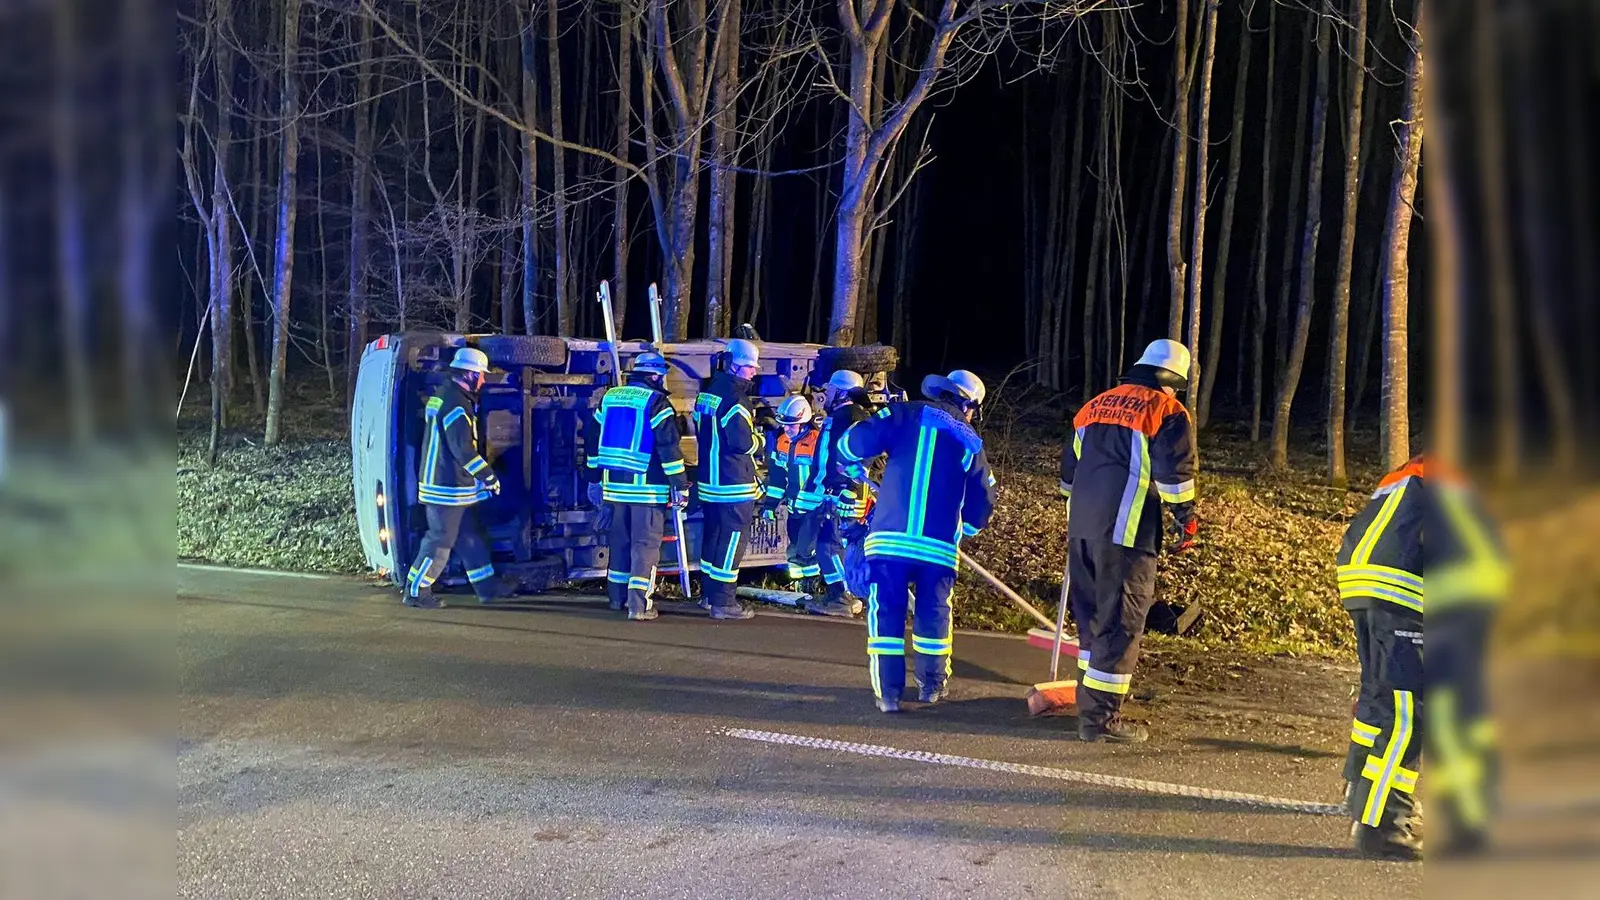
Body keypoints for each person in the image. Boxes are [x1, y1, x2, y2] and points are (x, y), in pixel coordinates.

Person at [1057, 339, 1198, 743]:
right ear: (1170, 377)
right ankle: (1100, 720)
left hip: (1081, 529)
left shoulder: (1094, 406)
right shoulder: (1166, 411)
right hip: (1126, 533)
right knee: (1120, 623)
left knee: (1091, 621)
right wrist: (1186, 518)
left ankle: (1089, 701)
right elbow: (1176, 474)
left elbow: (1068, 475)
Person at [837, 369, 996, 713]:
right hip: (937, 549)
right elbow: (982, 505)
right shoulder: (971, 440)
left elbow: (850, 445)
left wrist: (850, 463)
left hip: (890, 542)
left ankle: (888, 696)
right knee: (933, 615)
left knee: (887, 614)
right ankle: (932, 687)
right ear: (969, 406)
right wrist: (962, 529)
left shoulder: (904, 414)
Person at [404, 347, 518, 608]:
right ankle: (416, 591)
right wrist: (488, 476)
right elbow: (462, 449)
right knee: (440, 540)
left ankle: (487, 588)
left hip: (453, 485)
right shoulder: (456, 404)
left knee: (470, 536)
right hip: (445, 487)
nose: (481, 381)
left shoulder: (446, 395)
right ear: (467, 375)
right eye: (479, 375)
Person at [588, 352, 690, 621]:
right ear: (655, 375)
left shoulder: (609, 398)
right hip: (646, 490)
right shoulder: (657, 403)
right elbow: (668, 448)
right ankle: (639, 606)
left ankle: (616, 599)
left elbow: (591, 438)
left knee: (620, 544)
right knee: (644, 548)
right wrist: (680, 485)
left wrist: (593, 477)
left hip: (613, 489)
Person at [690, 339, 761, 621]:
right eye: (748, 368)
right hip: (734, 484)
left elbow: (699, 429)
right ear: (733, 365)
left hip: (709, 482)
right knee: (732, 541)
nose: (753, 373)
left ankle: (709, 596)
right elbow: (741, 443)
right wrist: (760, 440)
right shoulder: (736, 399)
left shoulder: (707, 393)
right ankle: (725, 602)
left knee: (713, 538)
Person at [806, 370, 871, 618]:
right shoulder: (841, 416)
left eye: (831, 390)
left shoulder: (853, 416)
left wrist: (849, 488)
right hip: (834, 491)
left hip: (844, 494)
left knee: (830, 545)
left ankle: (842, 596)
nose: (827, 394)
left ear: (842, 391)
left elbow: (861, 456)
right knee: (828, 544)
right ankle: (841, 593)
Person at [762, 395, 828, 592]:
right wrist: (770, 506)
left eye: (792, 425)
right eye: (784, 425)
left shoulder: (818, 442)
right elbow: (777, 478)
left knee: (808, 550)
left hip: (814, 510)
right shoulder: (782, 442)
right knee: (794, 550)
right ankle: (802, 587)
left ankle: (816, 587)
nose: (787, 429)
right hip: (794, 508)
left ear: (804, 422)